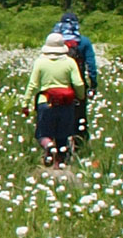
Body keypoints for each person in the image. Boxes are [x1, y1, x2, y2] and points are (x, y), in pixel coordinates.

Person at [23, 30, 87, 165]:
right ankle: (59, 162)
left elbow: (32, 84)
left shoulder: (40, 62)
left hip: (45, 102)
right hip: (66, 103)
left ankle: (48, 146)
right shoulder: (70, 62)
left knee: (42, 134)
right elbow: (78, 83)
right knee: (62, 135)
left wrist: (25, 103)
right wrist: (80, 96)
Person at [57, 10, 98, 143]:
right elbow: (91, 65)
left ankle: (58, 146)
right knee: (79, 115)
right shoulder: (84, 42)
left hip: (57, 84)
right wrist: (93, 85)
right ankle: (79, 144)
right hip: (78, 84)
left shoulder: (54, 41)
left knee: (58, 115)